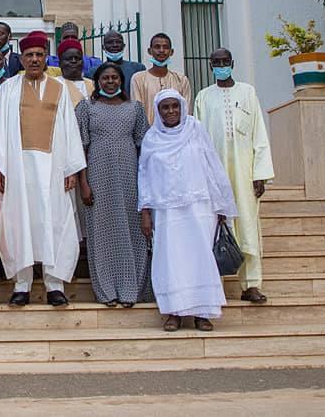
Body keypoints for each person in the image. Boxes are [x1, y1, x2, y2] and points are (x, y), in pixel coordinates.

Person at [0, 31, 85, 307]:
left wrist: (72, 168)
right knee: (20, 222)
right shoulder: (8, 89)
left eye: (39, 54)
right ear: (22, 58)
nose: (34, 59)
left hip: (54, 169)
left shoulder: (60, 88)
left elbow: (70, 130)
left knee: (55, 222)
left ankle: (55, 284)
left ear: (45, 57)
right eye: (29, 55)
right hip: (17, 168)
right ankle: (22, 284)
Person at [138, 89, 237, 331]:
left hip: (200, 206)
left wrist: (221, 203)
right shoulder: (152, 138)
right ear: (158, 110)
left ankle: (203, 313)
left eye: (175, 106)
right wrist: (146, 212)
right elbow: (145, 176)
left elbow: (212, 164)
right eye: (165, 107)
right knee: (170, 260)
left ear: (182, 107)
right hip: (167, 210)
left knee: (200, 258)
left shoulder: (196, 129)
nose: (171, 111)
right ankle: (174, 312)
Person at [193, 48, 275, 304]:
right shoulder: (203, 97)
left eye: (224, 62)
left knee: (248, 226)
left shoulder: (248, 92)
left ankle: (251, 284)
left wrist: (259, 174)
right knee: (215, 226)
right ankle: (214, 287)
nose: (220, 66)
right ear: (210, 66)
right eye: (216, 62)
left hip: (245, 171)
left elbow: (259, 135)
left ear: (232, 63)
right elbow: (198, 141)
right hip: (215, 174)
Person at [76, 64, 151, 307]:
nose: (110, 82)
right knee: (103, 233)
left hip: (130, 178)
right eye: (105, 78)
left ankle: (131, 290)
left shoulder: (135, 109)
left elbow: (145, 147)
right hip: (98, 178)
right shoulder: (87, 108)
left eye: (115, 77)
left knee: (133, 232)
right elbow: (80, 148)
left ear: (121, 80)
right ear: (97, 81)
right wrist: (84, 183)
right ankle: (107, 291)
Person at [130, 33, 193, 125]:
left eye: (165, 47)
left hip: (177, 135)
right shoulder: (138, 79)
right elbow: (138, 112)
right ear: (149, 51)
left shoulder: (181, 80)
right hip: (149, 135)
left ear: (171, 52)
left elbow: (186, 111)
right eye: (157, 47)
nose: (161, 50)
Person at [101, 30, 146, 96]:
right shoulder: (94, 72)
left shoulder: (138, 69)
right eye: (110, 42)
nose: (115, 45)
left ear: (124, 45)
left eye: (118, 42)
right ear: (103, 47)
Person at [58, 39, 94, 107]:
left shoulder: (92, 85)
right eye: (69, 58)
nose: (74, 61)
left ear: (82, 61)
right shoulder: (56, 84)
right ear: (60, 63)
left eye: (77, 58)